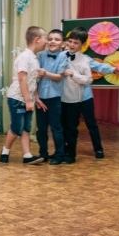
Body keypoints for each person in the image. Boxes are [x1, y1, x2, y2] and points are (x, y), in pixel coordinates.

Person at [0, 26, 48, 164]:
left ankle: (27, 155)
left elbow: (32, 81)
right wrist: (27, 100)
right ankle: (5, 151)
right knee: (17, 128)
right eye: (45, 37)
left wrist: (36, 98)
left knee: (26, 127)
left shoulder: (34, 58)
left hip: (28, 98)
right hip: (17, 98)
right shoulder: (24, 57)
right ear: (37, 39)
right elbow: (22, 79)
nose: (46, 41)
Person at [80, 54, 119, 159]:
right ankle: (66, 150)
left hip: (85, 96)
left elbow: (98, 66)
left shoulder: (85, 58)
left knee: (91, 124)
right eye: (67, 45)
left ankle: (98, 149)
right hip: (68, 97)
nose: (70, 46)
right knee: (68, 125)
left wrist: (113, 70)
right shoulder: (62, 57)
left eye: (75, 44)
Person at [35, 29, 69, 165]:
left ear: (63, 43)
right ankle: (43, 153)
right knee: (41, 128)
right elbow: (35, 75)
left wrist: (45, 73)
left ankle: (59, 155)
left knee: (56, 128)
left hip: (54, 97)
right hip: (41, 97)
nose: (52, 41)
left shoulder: (63, 56)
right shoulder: (40, 55)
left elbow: (59, 77)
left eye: (57, 39)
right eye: (50, 39)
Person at [61, 27, 93, 164]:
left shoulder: (84, 60)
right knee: (60, 127)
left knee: (71, 128)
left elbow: (89, 79)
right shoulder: (62, 54)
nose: (72, 45)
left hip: (74, 99)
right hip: (59, 97)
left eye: (76, 43)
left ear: (83, 44)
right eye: (70, 41)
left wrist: (74, 74)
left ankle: (71, 154)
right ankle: (60, 152)